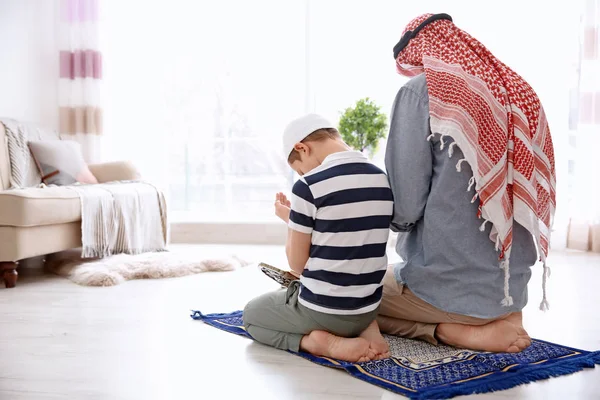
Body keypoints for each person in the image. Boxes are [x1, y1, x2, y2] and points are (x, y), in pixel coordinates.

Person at [378, 13, 556, 353]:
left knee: (338, 293)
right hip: (511, 291)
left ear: (416, 52)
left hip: (443, 289)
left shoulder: (421, 92)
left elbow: (405, 206)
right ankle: (501, 318)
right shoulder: (518, 91)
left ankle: (449, 330)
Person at [243, 114, 394, 362]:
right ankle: (367, 328)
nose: (303, 174)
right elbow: (342, 232)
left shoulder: (309, 186)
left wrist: (294, 223)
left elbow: (297, 265)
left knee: (251, 315)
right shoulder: (380, 178)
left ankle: (323, 343)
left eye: (300, 168)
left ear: (301, 147)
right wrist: (295, 217)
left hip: (325, 310)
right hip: (368, 307)